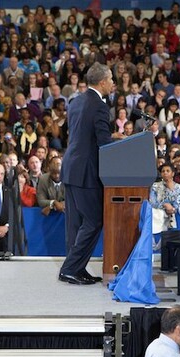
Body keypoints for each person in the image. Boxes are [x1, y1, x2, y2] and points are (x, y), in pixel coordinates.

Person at [59, 62, 115, 285]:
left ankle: (76, 268)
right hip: (86, 172)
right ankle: (70, 268)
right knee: (93, 220)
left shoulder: (76, 101)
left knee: (76, 223)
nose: (113, 84)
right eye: (111, 79)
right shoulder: (99, 106)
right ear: (102, 82)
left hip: (71, 168)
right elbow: (103, 143)